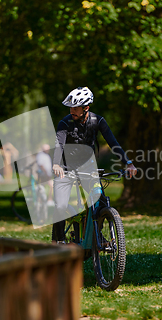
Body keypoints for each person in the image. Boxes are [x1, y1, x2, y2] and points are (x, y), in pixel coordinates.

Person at [52, 87, 137, 242]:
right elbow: (59, 144)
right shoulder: (64, 123)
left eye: (76, 107)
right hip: (65, 168)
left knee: (101, 202)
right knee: (60, 206)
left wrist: (128, 163)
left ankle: (97, 235)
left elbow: (113, 143)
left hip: (87, 167)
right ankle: (58, 241)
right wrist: (56, 164)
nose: (72, 110)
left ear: (86, 108)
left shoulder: (97, 121)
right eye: (71, 107)